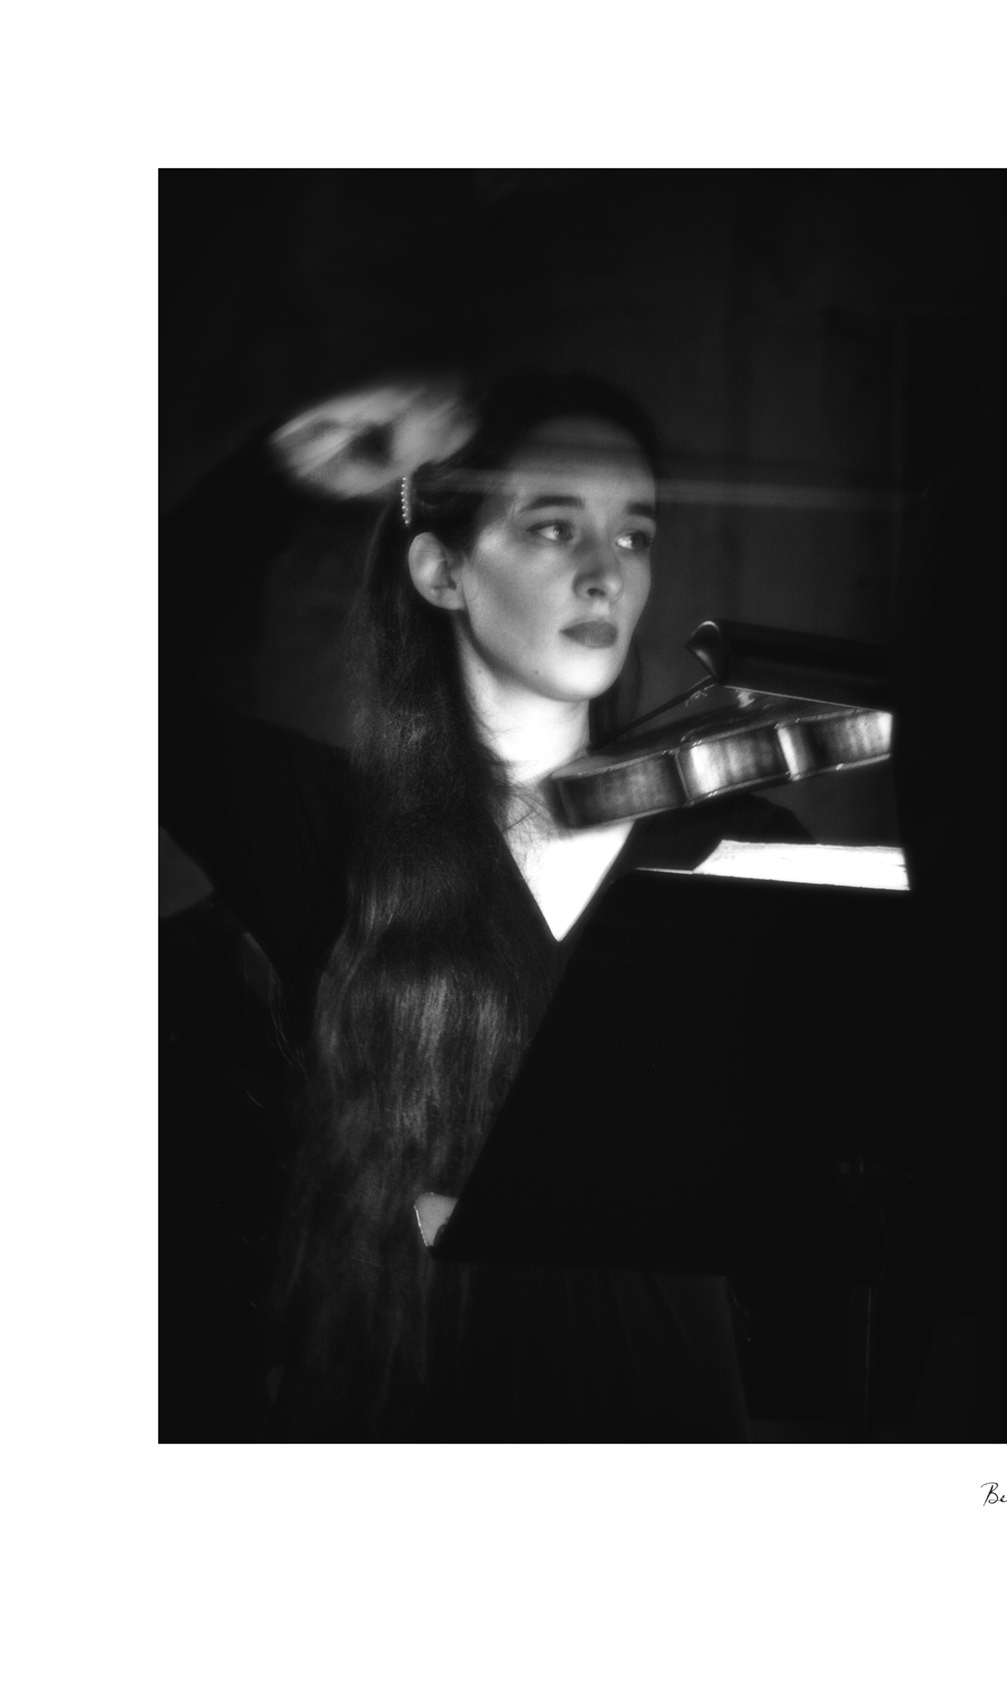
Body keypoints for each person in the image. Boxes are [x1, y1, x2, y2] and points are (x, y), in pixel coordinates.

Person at [160, 369, 808, 1441]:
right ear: (443, 569)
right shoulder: (337, 838)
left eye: (635, 535)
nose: (606, 571)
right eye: (554, 527)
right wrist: (275, 475)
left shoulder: (741, 845)